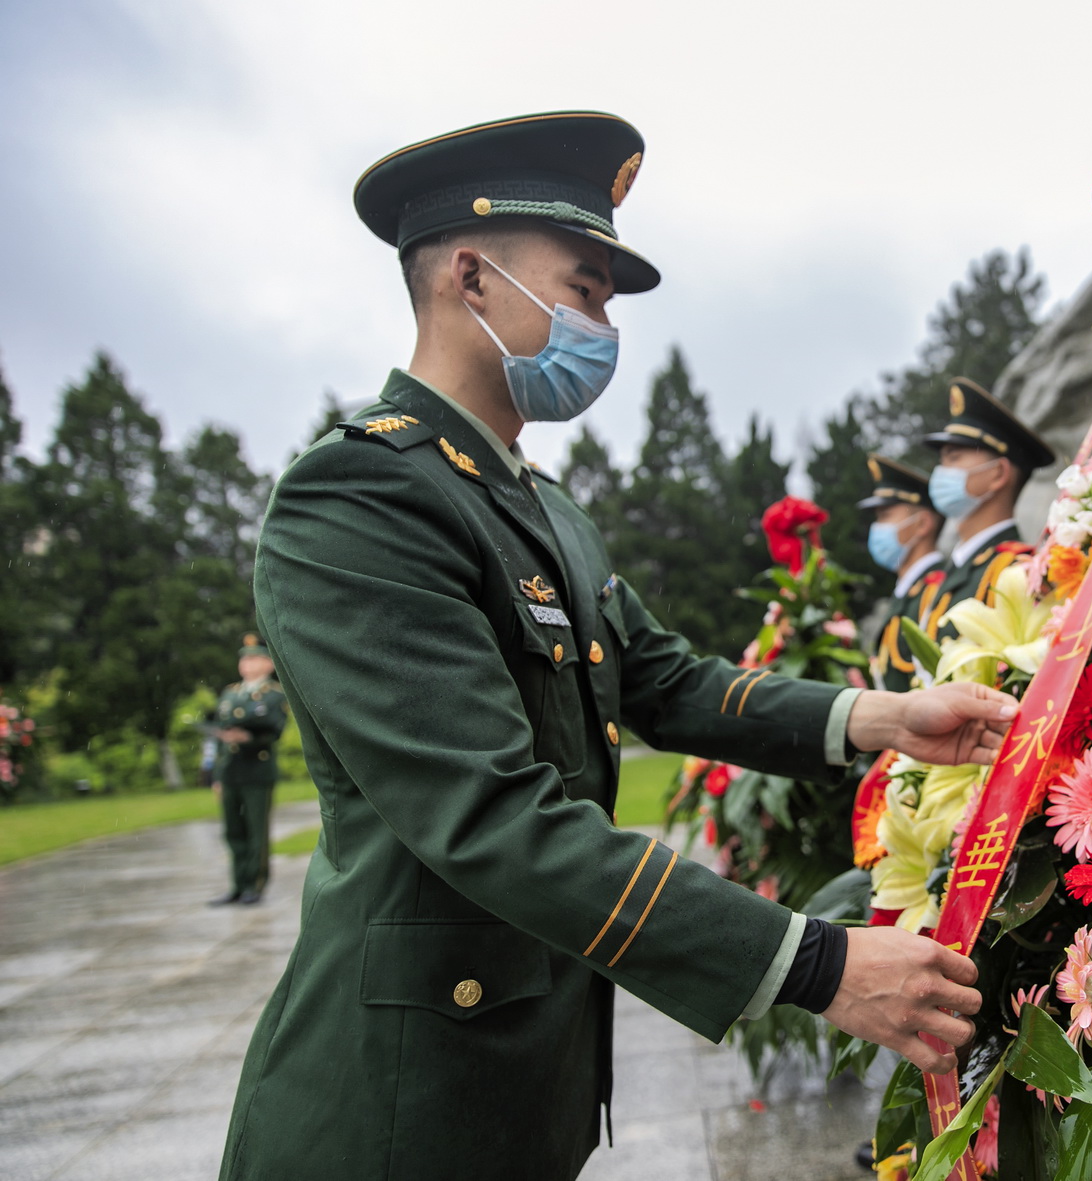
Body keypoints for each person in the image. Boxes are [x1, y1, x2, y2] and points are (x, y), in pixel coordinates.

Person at [219, 112, 1008, 1181]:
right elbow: (488, 812)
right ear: (470, 276)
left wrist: (878, 718)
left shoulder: (537, 503)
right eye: (584, 287)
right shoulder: (362, 494)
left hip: (522, 1077)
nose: (603, 323)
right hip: (400, 1098)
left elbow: (662, 679)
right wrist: (814, 962)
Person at [923, 377, 1056, 633]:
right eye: (942, 460)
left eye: (954, 458)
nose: (940, 471)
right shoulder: (960, 567)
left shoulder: (1016, 572)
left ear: (998, 474)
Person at [207, 634, 287, 906]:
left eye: (253, 658)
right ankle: (238, 884)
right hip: (231, 772)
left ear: (268, 664)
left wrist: (248, 739)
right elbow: (219, 736)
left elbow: (274, 730)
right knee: (233, 831)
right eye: (244, 659)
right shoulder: (230, 692)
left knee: (256, 831)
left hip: (257, 770)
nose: (247, 663)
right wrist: (217, 777)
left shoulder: (275, 694)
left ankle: (255, 884)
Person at [860, 453, 947, 692]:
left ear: (922, 524)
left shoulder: (936, 590)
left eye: (885, 516)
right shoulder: (908, 591)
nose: (877, 527)